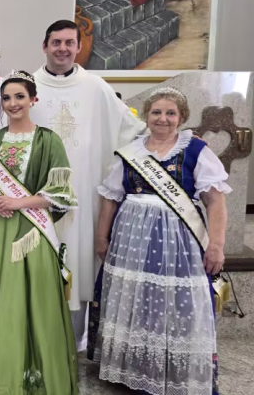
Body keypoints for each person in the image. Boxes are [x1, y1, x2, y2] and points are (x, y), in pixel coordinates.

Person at [91, 87, 228, 395]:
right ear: (146, 116)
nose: (162, 119)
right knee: (136, 299)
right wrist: (101, 237)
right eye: (156, 112)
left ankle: (175, 371)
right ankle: (136, 369)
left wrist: (216, 245)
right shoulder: (131, 151)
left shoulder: (195, 150)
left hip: (179, 242)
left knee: (178, 302)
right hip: (132, 239)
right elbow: (110, 198)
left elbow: (216, 202)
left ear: (181, 117)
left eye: (170, 113)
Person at [27, 19, 144, 349]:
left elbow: (130, 129)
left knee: (79, 263)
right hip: (38, 198)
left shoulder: (96, 88)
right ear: (44, 46)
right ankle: (35, 338)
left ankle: (76, 341)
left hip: (85, 192)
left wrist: (170, 142)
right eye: (56, 42)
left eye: (69, 43)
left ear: (79, 47)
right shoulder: (27, 86)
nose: (63, 49)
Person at [0, 71, 79, 394]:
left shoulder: (49, 140)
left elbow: (61, 193)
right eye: (7, 98)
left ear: (33, 99)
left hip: (31, 230)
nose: (13, 103)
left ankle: (33, 371)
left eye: (20, 96)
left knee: (33, 297)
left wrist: (18, 202)